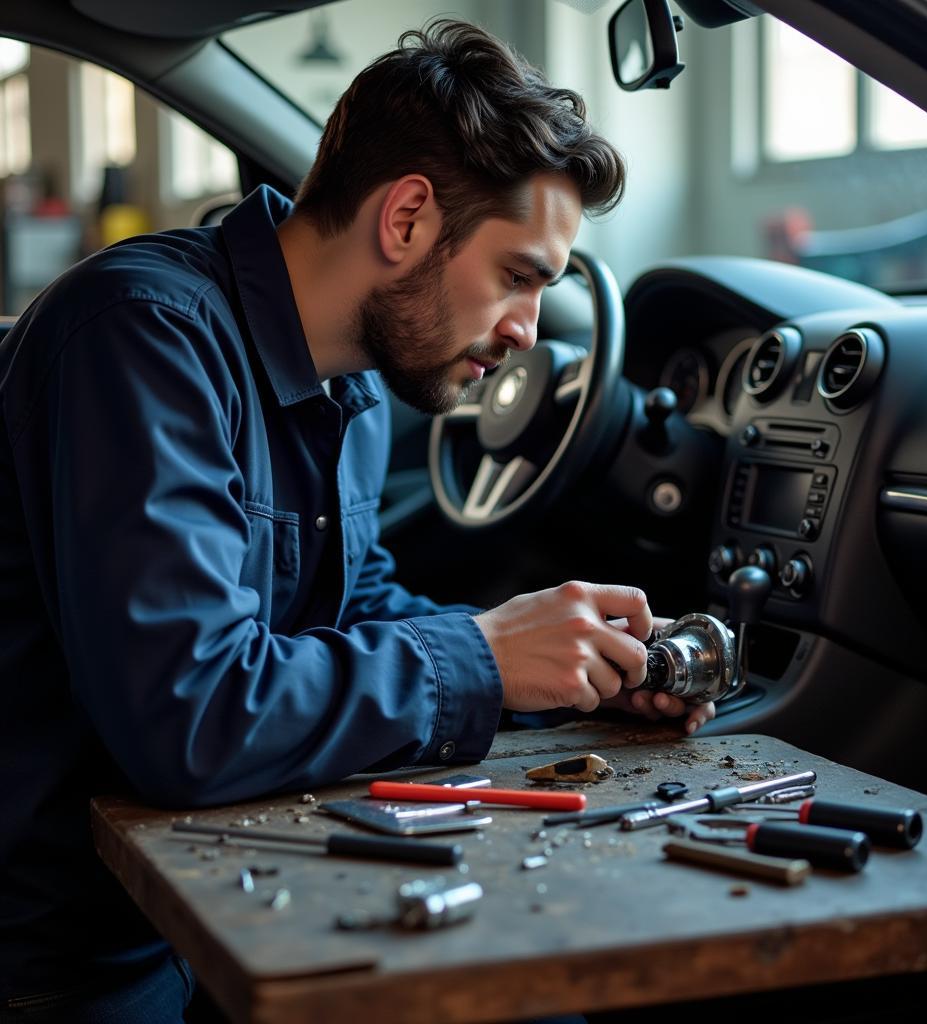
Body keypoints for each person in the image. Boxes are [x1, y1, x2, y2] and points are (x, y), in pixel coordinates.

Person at [0, 20, 713, 1021]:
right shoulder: (142, 336)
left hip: (203, 898)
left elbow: (350, 605)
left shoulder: (358, 389)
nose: (527, 333)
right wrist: (481, 654)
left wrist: (566, 675)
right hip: (66, 962)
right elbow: (190, 715)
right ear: (408, 217)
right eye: (518, 276)